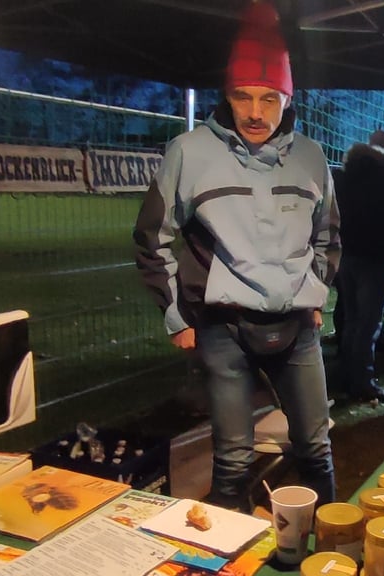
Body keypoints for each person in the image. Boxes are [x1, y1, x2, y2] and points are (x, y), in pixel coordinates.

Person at [133, 1, 338, 510]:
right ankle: (231, 560)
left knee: (316, 448)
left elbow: (328, 233)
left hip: (297, 328)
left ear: (286, 99)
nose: (255, 112)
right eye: (243, 97)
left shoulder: (311, 156)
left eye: (270, 99)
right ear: (226, 95)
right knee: (233, 460)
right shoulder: (189, 151)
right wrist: (176, 315)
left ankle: (325, 549)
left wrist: (316, 291)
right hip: (223, 328)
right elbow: (152, 235)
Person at [334, 130, 384, 403]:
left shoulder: (343, 178)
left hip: (345, 256)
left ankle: (346, 375)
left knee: (351, 320)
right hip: (375, 258)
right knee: (368, 323)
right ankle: (362, 381)